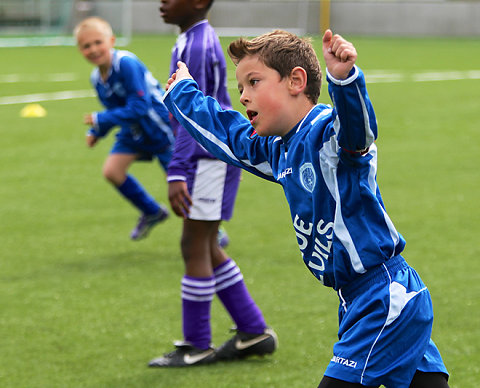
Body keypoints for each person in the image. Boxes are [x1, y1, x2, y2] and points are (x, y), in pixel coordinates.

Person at [162, 29, 450, 387]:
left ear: (296, 81)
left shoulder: (328, 134)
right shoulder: (278, 148)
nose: (244, 97)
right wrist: (183, 93)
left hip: (384, 296)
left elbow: (358, 133)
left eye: (253, 82)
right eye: (240, 89)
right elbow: (230, 137)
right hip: (357, 299)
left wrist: (343, 81)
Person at [148, 0, 277, 367]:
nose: (162, 2)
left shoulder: (198, 45)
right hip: (208, 158)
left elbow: (195, 112)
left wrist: (177, 169)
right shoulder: (192, 38)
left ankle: (197, 345)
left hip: (207, 159)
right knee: (205, 245)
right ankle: (253, 331)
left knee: (193, 244)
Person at [74, 17, 174, 240]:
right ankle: (152, 212)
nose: (93, 49)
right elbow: (116, 109)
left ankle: (212, 229)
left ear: (111, 40)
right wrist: (97, 132)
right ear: (80, 50)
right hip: (133, 130)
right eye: (86, 46)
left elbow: (140, 107)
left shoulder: (126, 63)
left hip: (159, 126)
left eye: (98, 42)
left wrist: (100, 119)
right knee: (112, 171)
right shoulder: (96, 78)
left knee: (180, 185)